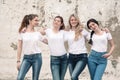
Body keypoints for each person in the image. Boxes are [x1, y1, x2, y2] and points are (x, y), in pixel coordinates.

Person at [17, 14, 45, 80]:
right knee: (20, 77)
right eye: (36, 20)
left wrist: (47, 32)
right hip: (26, 58)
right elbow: (19, 47)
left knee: (35, 78)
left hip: (37, 58)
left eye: (38, 20)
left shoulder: (38, 33)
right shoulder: (22, 32)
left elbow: (48, 42)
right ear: (30, 21)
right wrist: (18, 61)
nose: (37, 22)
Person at [40, 16, 68, 80]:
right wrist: (48, 42)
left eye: (58, 21)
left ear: (61, 24)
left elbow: (73, 35)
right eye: (55, 20)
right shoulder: (48, 31)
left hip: (64, 58)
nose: (56, 22)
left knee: (61, 78)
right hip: (54, 59)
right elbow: (39, 34)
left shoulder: (63, 32)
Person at [66, 14, 88, 80]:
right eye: (72, 20)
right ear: (69, 21)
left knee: (73, 76)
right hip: (70, 57)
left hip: (82, 56)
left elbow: (92, 38)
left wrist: (103, 32)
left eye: (75, 20)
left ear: (78, 21)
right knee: (73, 78)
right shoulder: (68, 32)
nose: (73, 21)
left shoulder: (83, 30)